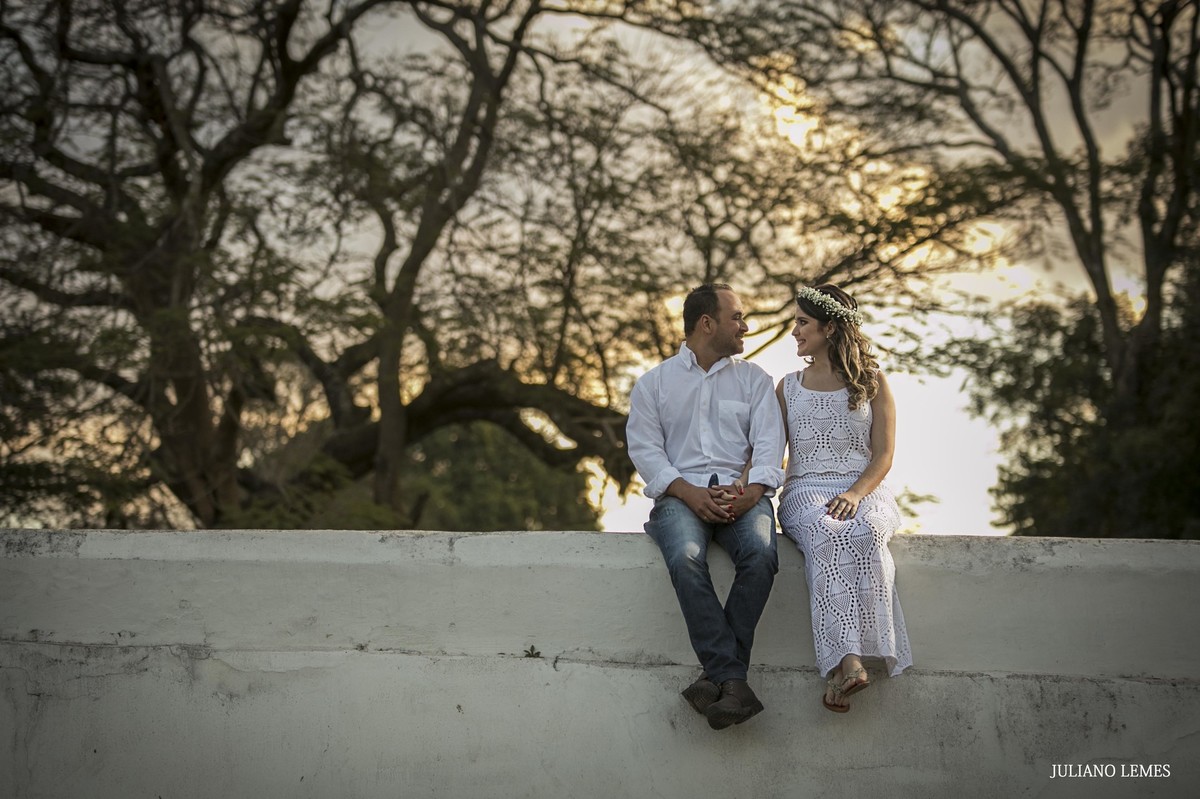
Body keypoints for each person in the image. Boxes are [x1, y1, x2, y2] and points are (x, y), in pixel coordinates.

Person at [626, 283, 786, 730]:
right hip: (681, 497)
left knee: (761, 555)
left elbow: (770, 445)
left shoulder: (756, 381)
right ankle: (732, 678)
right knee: (685, 557)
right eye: (737, 317)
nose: (746, 326)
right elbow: (645, 449)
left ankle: (716, 678)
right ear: (707, 323)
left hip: (743, 496)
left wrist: (751, 492)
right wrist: (686, 490)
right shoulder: (654, 384)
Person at [776, 284, 912, 713]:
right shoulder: (788, 387)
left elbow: (885, 454)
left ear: (830, 328)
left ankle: (844, 671)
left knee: (868, 532)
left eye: (802, 322)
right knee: (826, 532)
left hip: (864, 487)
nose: (794, 331)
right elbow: (769, 453)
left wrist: (855, 493)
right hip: (805, 489)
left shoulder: (873, 382)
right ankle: (847, 661)